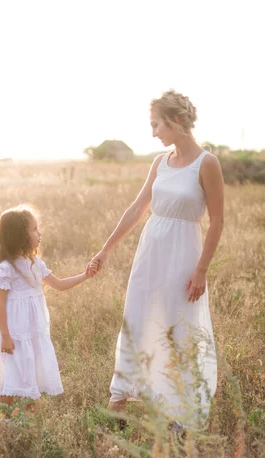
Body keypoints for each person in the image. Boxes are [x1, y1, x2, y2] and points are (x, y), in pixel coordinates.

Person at [88, 90, 224, 429]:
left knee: (178, 328)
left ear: (176, 121)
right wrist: (106, 248)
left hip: (184, 256)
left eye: (156, 125)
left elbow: (218, 221)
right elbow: (137, 208)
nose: (153, 133)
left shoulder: (207, 163)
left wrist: (201, 270)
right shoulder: (159, 162)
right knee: (137, 318)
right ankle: (119, 399)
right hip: (151, 253)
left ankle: (179, 412)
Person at [0, 205, 93, 409]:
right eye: (34, 229)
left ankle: (27, 419)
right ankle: (4, 418)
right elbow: (0, 304)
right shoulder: (7, 268)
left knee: (31, 372)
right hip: (15, 334)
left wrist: (85, 275)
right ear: (20, 236)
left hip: (33, 332)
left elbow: (59, 285)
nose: (39, 233)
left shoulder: (36, 264)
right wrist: (6, 336)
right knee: (13, 375)